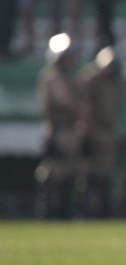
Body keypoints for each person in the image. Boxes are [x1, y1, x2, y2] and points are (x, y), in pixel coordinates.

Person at [35, 33, 85, 219]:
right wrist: (80, 110)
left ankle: (65, 213)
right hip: (57, 131)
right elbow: (66, 103)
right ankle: (48, 214)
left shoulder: (72, 77)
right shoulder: (52, 78)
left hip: (71, 132)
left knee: (71, 176)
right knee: (53, 176)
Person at [80, 46, 122, 218]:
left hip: (107, 131)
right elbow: (84, 107)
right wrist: (90, 128)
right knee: (89, 176)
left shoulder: (115, 81)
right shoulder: (90, 79)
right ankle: (86, 212)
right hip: (92, 130)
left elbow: (115, 107)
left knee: (106, 175)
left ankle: (103, 212)